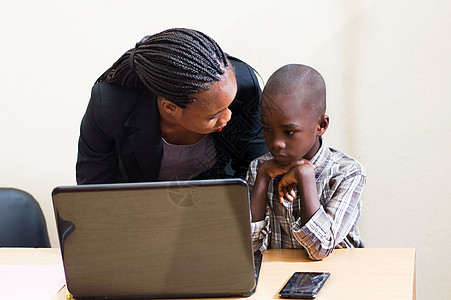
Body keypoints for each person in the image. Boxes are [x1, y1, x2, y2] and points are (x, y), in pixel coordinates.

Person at [76, 28, 267, 184]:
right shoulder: (109, 105)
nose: (228, 117)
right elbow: (95, 191)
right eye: (213, 115)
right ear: (170, 108)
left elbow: (253, 170)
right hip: (137, 210)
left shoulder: (244, 86)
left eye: (229, 105)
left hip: (218, 203)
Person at [247, 64, 366, 260]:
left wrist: (305, 176)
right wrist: (261, 178)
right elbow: (247, 248)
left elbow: (320, 249)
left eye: (289, 131)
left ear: (321, 125)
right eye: (267, 129)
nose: (276, 143)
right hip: (278, 279)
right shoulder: (260, 168)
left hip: (340, 279)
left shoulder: (347, 172)